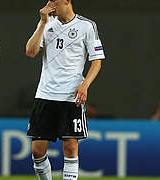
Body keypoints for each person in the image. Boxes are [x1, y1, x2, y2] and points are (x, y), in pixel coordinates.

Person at [25, 0, 105, 179]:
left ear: (67, 1)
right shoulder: (47, 23)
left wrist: (85, 85)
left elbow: (97, 61)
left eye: (55, 0)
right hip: (45, 94)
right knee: (37, 152)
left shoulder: (86, 26)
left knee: (70, 147)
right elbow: (30, 52)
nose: (50, 4)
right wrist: (43, 23)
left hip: (70, 96)